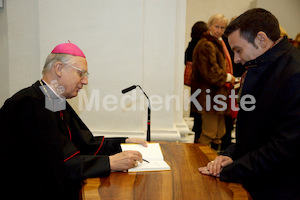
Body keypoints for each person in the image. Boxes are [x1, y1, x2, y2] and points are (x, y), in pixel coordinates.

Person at [0, 42, 148, 200]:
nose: (85, 81)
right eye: (81, 74)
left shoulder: (51, 99)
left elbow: (83, 143)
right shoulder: (30, 104)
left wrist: (123, 142)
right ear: (59, 68)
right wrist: (110, 163)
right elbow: (55, 164)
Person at [198, 8, 300, 200]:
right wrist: (231, 155)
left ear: (261, 39)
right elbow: (257, 133)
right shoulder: (266, 66)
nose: (236, 59)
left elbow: (284, 148)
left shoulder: (294, 74)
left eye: (238, 50)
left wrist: (230, 170)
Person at [191, 14, 235, 147]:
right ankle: (199, 161)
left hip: (217, 96)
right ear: (209, 26)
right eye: (217, 26)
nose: (219, 30)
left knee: (218, 133)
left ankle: (214, 163)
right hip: (208, 97)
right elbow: (210, 73)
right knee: (209, 133)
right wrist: (227, 77)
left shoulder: (218, 43)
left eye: (222, 27)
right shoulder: (206, 44)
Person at [184, 21, 208, 143]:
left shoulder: (190, 44)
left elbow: (185, 60)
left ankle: (195, 137)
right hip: (201, 83)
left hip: (194, 84)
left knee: (195, 111)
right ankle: (198, 138)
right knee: (201, 113)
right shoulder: (203, 45)